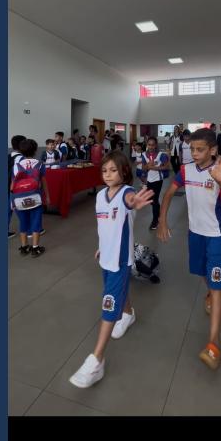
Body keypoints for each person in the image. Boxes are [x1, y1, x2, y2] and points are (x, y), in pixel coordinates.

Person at [69, 152, 155, 388]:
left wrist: (134, 203)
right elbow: (104, 226)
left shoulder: (127, 193)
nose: (107, 175)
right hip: (105, 257)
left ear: (124, 172)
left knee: (108, 305)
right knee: (117, 292)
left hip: (119, 261)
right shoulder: (99, 196)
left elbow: (130, 201)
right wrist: (101, 246)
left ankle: (96, 360)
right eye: (104, 170)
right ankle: (128, 314)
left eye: (113, 170)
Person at [156, 129, 221, 370]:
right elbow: (168, 194)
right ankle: (210, 293)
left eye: (200, 149)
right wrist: (162, 220)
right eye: (192, 149)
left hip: (217, 236)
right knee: (203, 274)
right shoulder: (185, 170)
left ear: (212, 150)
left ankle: (214, 343)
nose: (194, 153)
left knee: (217, 285)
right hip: (195, 234)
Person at [11, 139, 47, 257]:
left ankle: (24, 247)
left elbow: (12, 185)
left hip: (19, 198)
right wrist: (47, 196)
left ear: (21, 151)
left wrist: (12, 201)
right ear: (35, 150)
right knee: (36, 222)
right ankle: (35, 248)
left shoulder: (16, 166)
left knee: (23, 222)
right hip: (35, 197)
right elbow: (43, 182)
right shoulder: (39, 164)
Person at [139, 136, 170, 231]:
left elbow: (166, 167)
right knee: (151, 200)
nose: (151, 147)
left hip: (158, 180)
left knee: (154, 200)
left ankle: (155, 221)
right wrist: (148, 166)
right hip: (149, 180)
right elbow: (143, 168)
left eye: (153, 145)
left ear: (156, 145)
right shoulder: (144, 155)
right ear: (147, 145)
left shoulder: (161, 155)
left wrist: (154, 168)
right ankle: (159, 216)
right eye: (149, 145)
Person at [8, 134, 26, 239]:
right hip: (16, 187)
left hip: (7, 187)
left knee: (8, 208)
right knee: (21, 208)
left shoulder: (9, 156)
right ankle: (29, 230)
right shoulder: (21, 158)